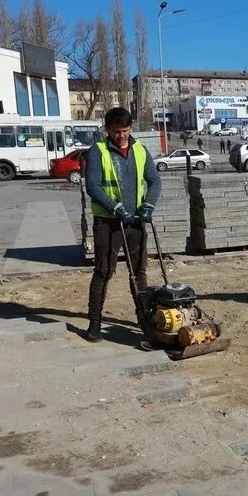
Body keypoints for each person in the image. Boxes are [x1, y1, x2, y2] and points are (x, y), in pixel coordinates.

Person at [83, 108, 162, 342]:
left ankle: (144, 319)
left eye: (125, 131)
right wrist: (115, 207)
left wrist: (148, 205)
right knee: (104, 271)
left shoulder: (139, 150)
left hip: (135, 221)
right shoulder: (98, 152)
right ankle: (95, 322)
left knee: (139, 272)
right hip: (108, 223)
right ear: (107, 129)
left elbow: (154, 180)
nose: (121, 136)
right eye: (117, 132)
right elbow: (93, 186)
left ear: (131, 128)